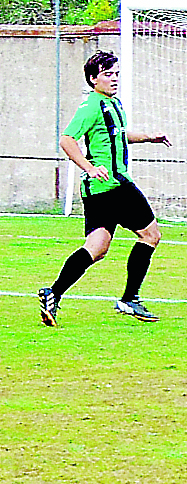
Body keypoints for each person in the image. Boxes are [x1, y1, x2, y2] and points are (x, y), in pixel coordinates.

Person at [38, 51, 172, 326]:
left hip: (98, 190)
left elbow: (119, 135)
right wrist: (89, 167)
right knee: (150, 235)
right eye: (108, 75)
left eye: (116, 74)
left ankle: (53, 293)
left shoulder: (113, 104)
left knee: (97, 247)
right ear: (93, 78)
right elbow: (67, 140)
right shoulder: (90, 107)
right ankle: (130, 298)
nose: (114, 79)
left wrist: (148, 137)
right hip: (114, 185)